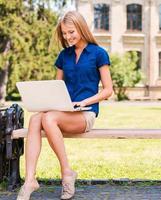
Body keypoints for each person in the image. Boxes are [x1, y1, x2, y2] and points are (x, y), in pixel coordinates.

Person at [17, 11, 113, 200]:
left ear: (81, 28)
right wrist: (45, 102)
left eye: (71, 32)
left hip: (86, 114)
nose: (68, 37)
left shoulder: (98, 53)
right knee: (36, 119)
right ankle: (30, 180)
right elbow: (56, 87)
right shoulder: (64, 56)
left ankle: (66, 172)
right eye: (64, 33)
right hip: (62, 112)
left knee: (48, 117)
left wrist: (84, 102)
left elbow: (108, 90)